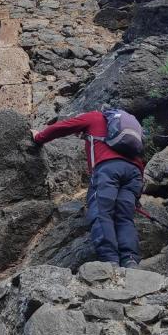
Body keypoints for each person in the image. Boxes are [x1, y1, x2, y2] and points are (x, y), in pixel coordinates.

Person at [32, 110, 145, 268]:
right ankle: (130, 260)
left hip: (107, 170)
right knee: (124, 217)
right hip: (134, 173)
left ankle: (110, 261)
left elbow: (62, 127)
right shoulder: (125, 126)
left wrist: (39, 137)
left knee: (101, 212)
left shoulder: (93, 116)